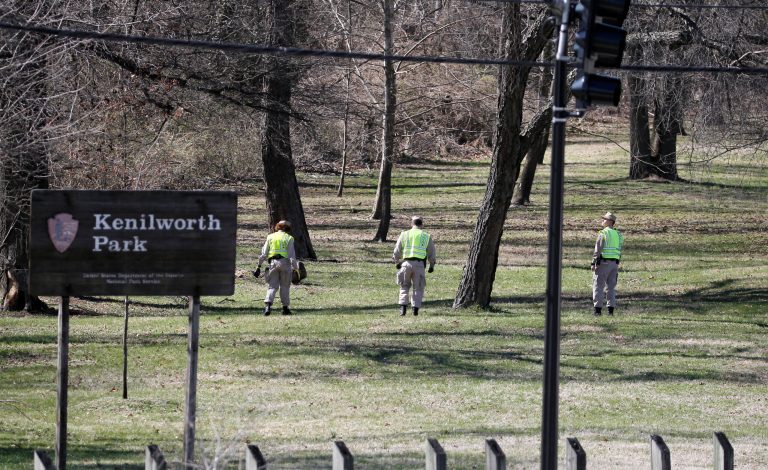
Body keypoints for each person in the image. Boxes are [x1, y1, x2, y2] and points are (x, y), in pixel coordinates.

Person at [392, 216, 437, 316]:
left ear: (412, 224)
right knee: (418, 287)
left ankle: (402, 308)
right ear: (422, 224)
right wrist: (431, 266)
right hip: (419, 265)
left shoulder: (404, 234)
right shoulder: (426, 236)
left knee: (404, 285)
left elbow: (397, 250)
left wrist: (396, 262)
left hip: (405, 264)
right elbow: (431, 252)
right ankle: (415, 309)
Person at [256, 220, 300, 316]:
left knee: (272, 286)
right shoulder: (289, 238)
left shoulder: (270, 237)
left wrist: (258, 266)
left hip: (273, 263)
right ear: (288, 228)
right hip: (285, 264)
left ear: (278, 226)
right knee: (284, 286)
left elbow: (264, 254)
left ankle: (267, 306)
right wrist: (296, 269)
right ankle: (285, 309)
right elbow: (292, 256)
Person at [591, 211, 624, 316]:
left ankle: (598, 311)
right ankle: (611, 311)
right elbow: (619, 249)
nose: (602, 220)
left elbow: (598, 249)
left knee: (598, 286)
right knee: (611, 288)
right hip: (614, 264)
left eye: (604, 219)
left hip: (603, 263)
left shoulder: (603, 233)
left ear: (610, 222)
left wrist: (594, 262)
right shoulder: (618, 234)